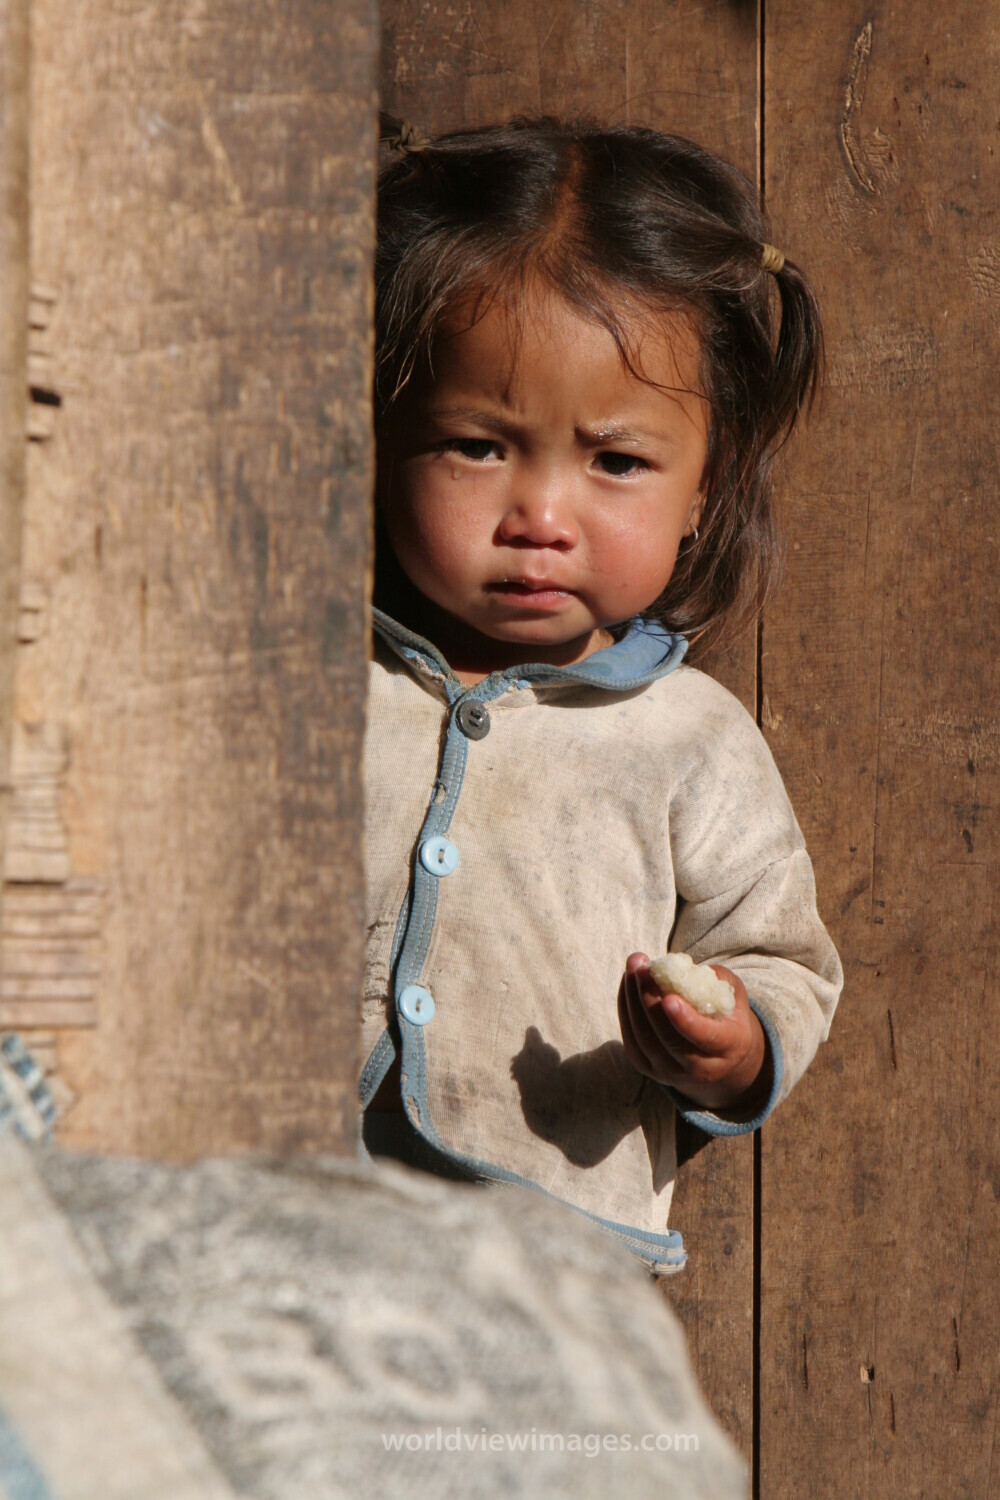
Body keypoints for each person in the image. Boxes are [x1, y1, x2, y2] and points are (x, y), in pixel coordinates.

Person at [360, 117, 843, 1273]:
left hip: (553, 1257)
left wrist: (732, 1040)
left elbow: (780, 958)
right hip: (280, 1214)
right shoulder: (300, 685)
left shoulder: (688, 742)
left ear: (702, 490)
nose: (540, 513)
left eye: (615, 462)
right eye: (477, 445)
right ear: (376, 440)